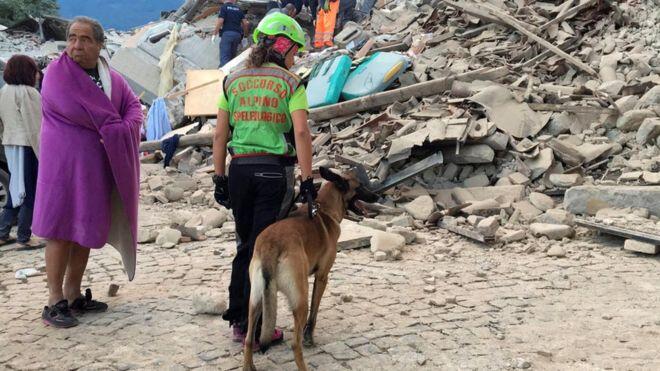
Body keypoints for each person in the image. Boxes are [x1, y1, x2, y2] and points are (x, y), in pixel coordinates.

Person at [212, 12, 315, 345]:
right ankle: (257, 328)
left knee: (245, 245)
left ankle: (241, 319)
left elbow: (219, 135)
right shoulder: (290, 82)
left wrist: (218, 178)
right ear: (282, 44)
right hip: (274, 172)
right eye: (294, 50)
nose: (295, 57)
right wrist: (309, 179)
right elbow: (300, 131)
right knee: (265, 250)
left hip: (239, 170)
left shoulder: (232, 81)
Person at [34, 16, 143, 328]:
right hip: (64, 166)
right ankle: (54, 300)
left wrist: (123, 126)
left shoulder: (110, 77)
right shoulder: (57, 74)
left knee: (83, 229)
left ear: (99, 45)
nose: (76, 46)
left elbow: (133, 107)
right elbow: (82, 111)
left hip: (94, 167)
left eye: (84, 39)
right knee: (59, 230)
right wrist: (115, 125)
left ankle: (73, 293)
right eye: (71, 38)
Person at [0, 55, 43, 249]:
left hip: (10, 143)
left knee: (15, 188)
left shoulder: (4, 91)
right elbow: (36, 126)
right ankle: (24, 236)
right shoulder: (29, 93)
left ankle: (3, 232)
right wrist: (42, 152)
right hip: (27, 145)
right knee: (29, 191)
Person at [213, 0, 250, 67]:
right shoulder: (239, 9)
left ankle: (223, 75)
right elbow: (245, 23)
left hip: (227, 35)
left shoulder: (224, 7)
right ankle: (231, 75)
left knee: (224, 58)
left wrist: (214, 33)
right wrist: (245, 36)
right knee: (232, 59)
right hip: (237, 35)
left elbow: (220, 21)